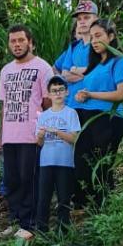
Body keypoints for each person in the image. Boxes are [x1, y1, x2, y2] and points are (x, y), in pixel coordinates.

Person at [0, 25, 54, 240]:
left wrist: (46, 131)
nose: (17, 44)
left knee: (29, 179)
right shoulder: (6, 70)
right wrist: (1, 137)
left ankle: (30, 224)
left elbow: (49, 102)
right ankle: (16, 220)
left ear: (30, 42)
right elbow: (4, 106)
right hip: (11, 135)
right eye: (13, 41)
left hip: (32, 135)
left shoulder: (43, 68)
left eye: (21, 40)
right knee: (12, 180)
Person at [73, 19, 123, 207]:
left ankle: (103, 205)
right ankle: (86, 203)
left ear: (111, 36)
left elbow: (122, 94)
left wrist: (91, 94)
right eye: (91, 37)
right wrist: (83, 96)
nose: (94, 41)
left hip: (109, 118)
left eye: (99, 36)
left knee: (102, 163)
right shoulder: (95, 64)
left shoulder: (119, 61)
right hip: (88, 118)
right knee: (82, 160)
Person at [35, 76, 80, 234]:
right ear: (48, 94)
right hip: (46, 162)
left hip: (65, 163)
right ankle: (41, 230)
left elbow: (74, 138)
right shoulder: (43, 116)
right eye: (54, 91)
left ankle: (63, 231)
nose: (58, 93)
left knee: (64, 198)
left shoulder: (71, 113)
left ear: (66, 92)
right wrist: (40, 136)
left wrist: (57, 132)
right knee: (43, 198)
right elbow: (39, 143)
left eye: (61, 90)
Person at [55, 0, 99, 113]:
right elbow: (65, 75)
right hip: (72, 105)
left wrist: (74, 69)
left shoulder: (101, 44)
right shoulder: (74, 47)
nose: (82, 22)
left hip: (95, 106)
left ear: (96, 19)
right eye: (79, 19)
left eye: (86, 17)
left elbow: (101, 73)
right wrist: (88, 72)